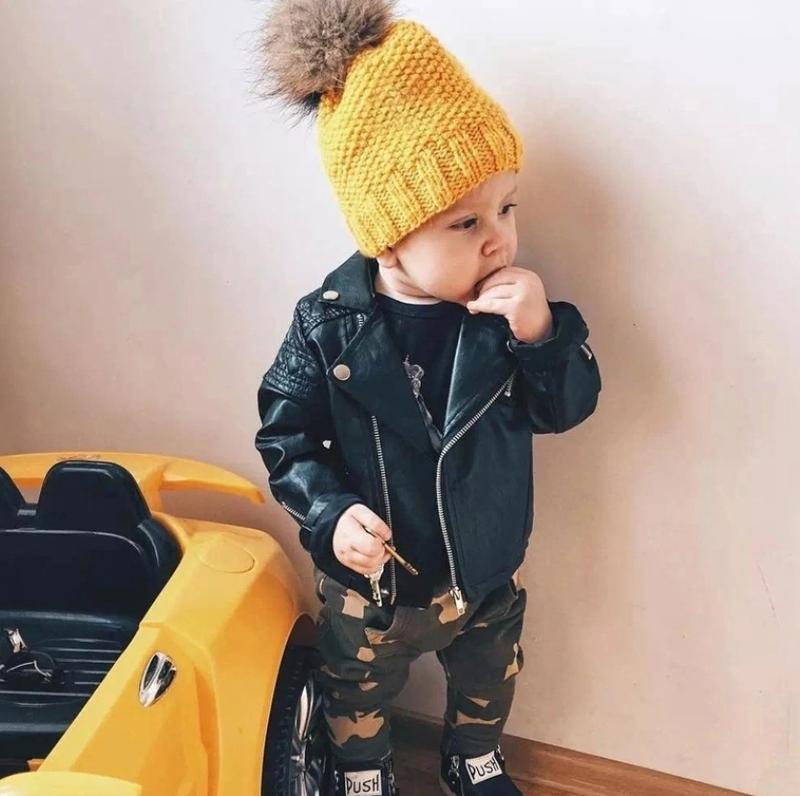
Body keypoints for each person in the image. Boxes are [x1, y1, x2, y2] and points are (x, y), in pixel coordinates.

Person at [253, 2, 602, 793]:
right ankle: (362, 769)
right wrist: (329, 513)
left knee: (490, 674)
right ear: (389, 238)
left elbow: (565, 409)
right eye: (464, 222)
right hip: (374, 585)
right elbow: (286, 437)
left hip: (484, 569)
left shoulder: (510, 316)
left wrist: (544, 335)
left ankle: (472, 755)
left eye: (507, 207)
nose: (499, 238)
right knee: (356, 686)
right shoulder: (328, 326)